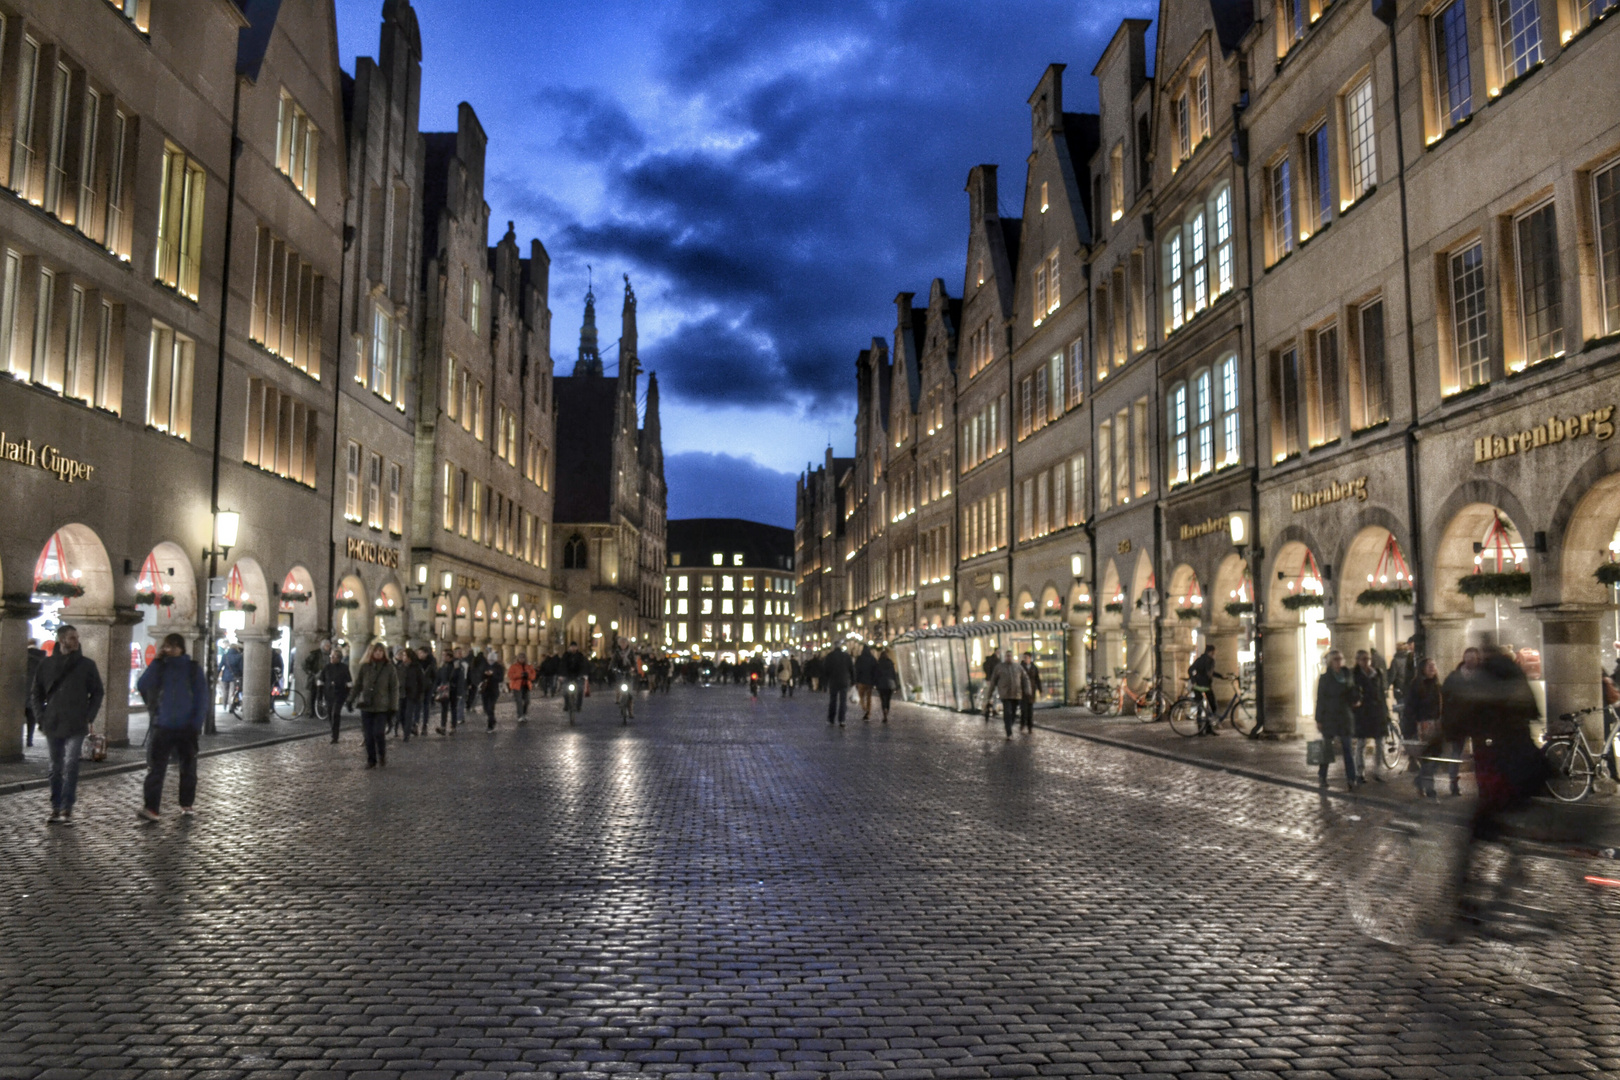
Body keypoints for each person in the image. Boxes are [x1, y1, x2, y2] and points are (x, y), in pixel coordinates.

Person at [1442, 643, 1546, 917]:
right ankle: (1513, 870)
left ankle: (1462, 900)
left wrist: (1440, 738)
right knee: (1501, 825)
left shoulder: (1489, 683)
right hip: (1529, 768)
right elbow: (1534, 713)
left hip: (1505, 770)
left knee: (1475, 832)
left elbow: (1465, 718)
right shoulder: (1516, 677)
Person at [32, 625, 104, 826]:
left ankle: (67, 808)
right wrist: (40, 717)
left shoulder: (87, 665)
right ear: (62, 640)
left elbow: (98, 691)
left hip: (76, 722)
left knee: (71, 764)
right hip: (53, 722)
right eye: (72, 637)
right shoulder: (45, 664)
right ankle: (56, 806)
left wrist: (89, 715)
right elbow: (36, 693)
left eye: (77, 638)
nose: (76, 641)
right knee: (55, 767)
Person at [135, 633, 209, 821]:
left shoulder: (192, 669)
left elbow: (202, 698)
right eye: (167, 646)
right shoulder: (161, 668)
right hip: (163, 725)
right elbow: (142, 684)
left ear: (182, 648)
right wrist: (156, 662)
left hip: (186, 726)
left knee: (188, 768)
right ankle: (151, 808)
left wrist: (196, 723)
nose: (170, 649)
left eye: (174, 646)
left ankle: (186, 803)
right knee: (156, 768)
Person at [1401, 657, 1451, 798]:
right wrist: (1411, 729)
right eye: (1429, 665)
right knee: (1427, 759)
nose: (1432, 668)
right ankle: (1430, 789)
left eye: (1434, 665)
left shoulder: (1437, 686)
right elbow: (1410, 709)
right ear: (1422, 668)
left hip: (1436, 726)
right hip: (1421, 726)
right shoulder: (1416, 685)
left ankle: (1419, 780)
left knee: (1436, 757)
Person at [1438, 647, 1484, 797]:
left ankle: (1482, 785)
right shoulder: (1454, 677)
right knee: (1456, 753)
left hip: (1477, 721)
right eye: (1468, 657)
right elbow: (1445, 697)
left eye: (1473, 657)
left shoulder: (1483, 676)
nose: (1470, 660)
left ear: (1478, 659)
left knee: (1480, 754)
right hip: (1459, 721)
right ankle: (1453, 783)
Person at [1315, 650, 1361, 790]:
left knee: (1348, 748)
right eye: (1336, 659)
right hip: (1329, 716)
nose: (1339, 662)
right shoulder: (1325, 678)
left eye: (1340, 659)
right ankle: (1322, 775)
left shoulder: (1348, 675)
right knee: (1327, 748)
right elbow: (1320, 699)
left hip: (1345, 716)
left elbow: (1354, 692)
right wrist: (1319, 719)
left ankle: (1351, 779)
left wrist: (1356, 699)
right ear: (1330, 661)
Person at [348, 642, 399, 767]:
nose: (378, 653)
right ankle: (371, 759)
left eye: (381, 651)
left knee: (378, 733)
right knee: (368, 735)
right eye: (376, 651)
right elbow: (358, 685)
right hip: (367, 705)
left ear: (384, 653)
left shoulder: (389, 668)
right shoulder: (365, 667)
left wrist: (393, 707)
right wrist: (350, 699)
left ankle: (382, 754)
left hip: (382, 706)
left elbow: (394, 688)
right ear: (371, 652)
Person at [1352, 649, 1389, 782]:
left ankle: (1377, 771)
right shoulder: (1354, 675)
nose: (1366, 661)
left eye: (1367, 658)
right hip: (1362, 713)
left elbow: (1381, 693)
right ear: (1357, 661)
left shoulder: (1376, 673)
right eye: (1363, 659)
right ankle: (1360, 772)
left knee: (1380, 743)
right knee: (1361, 743)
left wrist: (1386, 713)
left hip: (1377, 713)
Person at [990, 653, 1032, 739]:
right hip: (1005, 695)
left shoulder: (1017, 667)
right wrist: (989, 694)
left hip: (1016, 695)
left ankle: (1009, 725)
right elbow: (993, 680)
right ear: (1005, 657)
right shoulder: (999, 667)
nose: (1009, 657)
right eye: (1007, 656)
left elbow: (1025, 678)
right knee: (1007, 712)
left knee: (1013, 712)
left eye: (1010, 656)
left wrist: (1028, 689)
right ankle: (1008, 732)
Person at [321, 648, 352, 742]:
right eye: (331, 656)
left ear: (339, 658)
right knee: (330, 713)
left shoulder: (344, 668)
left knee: (336, 713)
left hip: (340, 694)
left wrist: (348, 694)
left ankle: (335, 736)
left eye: (334, 657)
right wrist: (320, 694)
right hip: (329, 694)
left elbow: (349, 682)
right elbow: (321, 680)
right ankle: (333, 730)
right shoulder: (327, 667)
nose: (332, 658)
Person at [399, 646, 429, 740]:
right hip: (401, 693)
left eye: (404, 655)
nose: (403, 657)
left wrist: (419, 693)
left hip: (412, 694)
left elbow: (421, 681)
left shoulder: (416, 667)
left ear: (409, 657)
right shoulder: (401, 666)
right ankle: (406, 729)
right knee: (401, 714)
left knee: (408, 714)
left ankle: (406, 734)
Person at [1188, 644, 1218, 735]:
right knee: (1208, 707)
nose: (1214, 654)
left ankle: (1203, 729)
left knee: (1204, 707)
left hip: (1202, 685)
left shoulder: (1203, 660)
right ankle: (1205, 728)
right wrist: (1194, 680)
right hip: (1203, 686)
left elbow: (1191, 669)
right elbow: (1209, 673)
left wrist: (1193, 680)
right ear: (1211, 652)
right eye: (1214, 652)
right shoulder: (1206, 660)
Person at [822, 642, 854, 726]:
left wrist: (824, 683)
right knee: (843, 701)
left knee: (833, 700)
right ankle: (842, 719)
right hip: (844, 681)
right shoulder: (846, 656)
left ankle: (831, 719)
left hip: (833, 681)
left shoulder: (830, 656)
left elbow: (825, 670)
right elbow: (852, 669)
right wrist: (853, 681)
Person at [435, 648, 466, 734]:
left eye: (444, 655)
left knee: (453, 708)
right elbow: (439, 677)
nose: (443, 657)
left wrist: (460, 692)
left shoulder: (456, 666)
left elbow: (460, 679)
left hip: (453, 690)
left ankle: (453, 727)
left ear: (449, 656)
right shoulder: (443, 665)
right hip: (444, 690)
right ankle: (443, 726)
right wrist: (436, 687)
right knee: (444, 709)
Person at [23, 638, 44, 747]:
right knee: (31, 717)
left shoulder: (22, 656)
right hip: (34, 692)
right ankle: (29, 740)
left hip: (20, 692)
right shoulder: (42, 658)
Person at [507, 652, 536, 722]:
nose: (522, 659)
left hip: (526, 686)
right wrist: (520, 675)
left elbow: (533, 676)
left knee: (527, 701)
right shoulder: (513, 666)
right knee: (519, 701)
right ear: (518, 658)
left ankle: (524, 713)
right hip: (517, 686)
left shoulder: (529, 666)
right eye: (520, 658)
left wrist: (528, 675)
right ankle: (520, 715)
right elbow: (510, 676)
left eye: (523, 658)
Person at [1388, 638, 1416, 706]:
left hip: (1399, 688)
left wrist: (1386, 686)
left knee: (1401, 707)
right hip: (1410, 687)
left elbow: (1392, 675)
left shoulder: (1395, 661)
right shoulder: (1410, 658)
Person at [853, 644, 878, 720]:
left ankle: (864, 707)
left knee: (861, 696)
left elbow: (856, 670)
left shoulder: (859, 659)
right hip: (870, 682)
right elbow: (875, 670)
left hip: (861, 681)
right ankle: (868, 711)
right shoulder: (872, 659)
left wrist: (856, 680)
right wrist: (874, 680)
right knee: (869, 697)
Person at [1019, 651, 1041, 733]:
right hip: (1023, 692)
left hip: (1031, 691)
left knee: (1030, 710)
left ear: (1030, 658)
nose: (1025, 659)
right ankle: (1022, 724)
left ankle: (1030, 726)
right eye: (1024, 657)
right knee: (1023, 710)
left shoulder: (1034, 667)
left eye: (1027, 658)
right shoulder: (1020, 667)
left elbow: (1037, 679)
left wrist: (1040, 689)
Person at [874, 648, 899, 722]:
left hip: (881, 684)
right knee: (888, 699)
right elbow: (893, 674)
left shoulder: (878, 663)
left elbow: (876, 674)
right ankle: (887, 711)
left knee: (882, 699)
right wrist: (896, 685)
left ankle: (884, 713)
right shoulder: (890, 663)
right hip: (889, 684)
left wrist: (875, 683)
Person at [220, 642, 243, 712]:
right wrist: (241, 675)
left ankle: (224, 706)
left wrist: (217, 674)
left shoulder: (225, 656)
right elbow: (241, 667)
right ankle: (231, 707)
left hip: (225, 677)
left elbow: (220, 666)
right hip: (234, 677)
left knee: (225, 691)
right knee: (232, 692)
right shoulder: (239, 656)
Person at [982, 649, 1001, 722]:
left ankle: (992, 708)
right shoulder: (992, 660)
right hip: (992, 680)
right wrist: (989, 678)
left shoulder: (997, 660)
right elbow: (988, 669)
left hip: (995, 680)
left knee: (994, 694)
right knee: (991, 694)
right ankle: (989, 708)